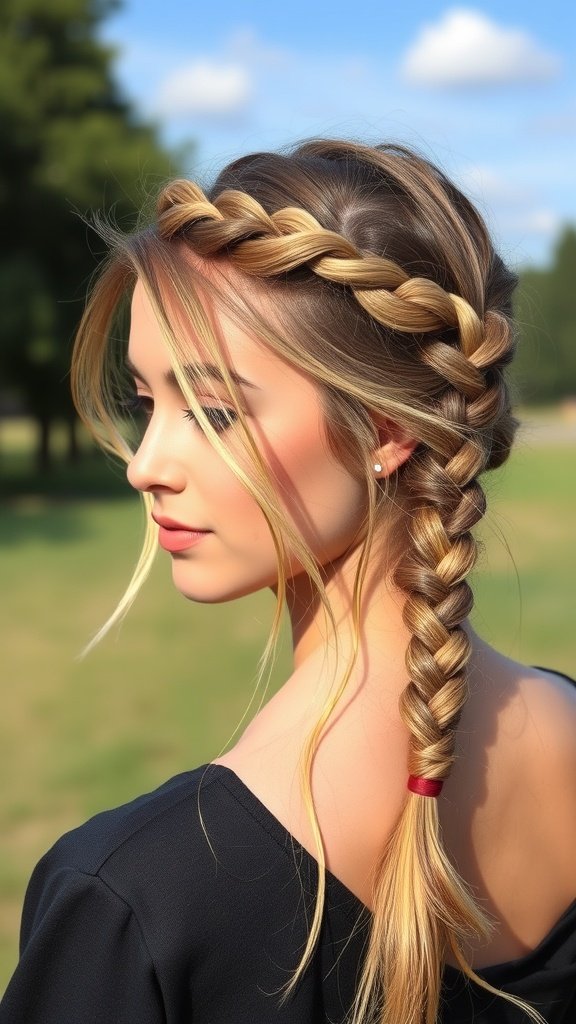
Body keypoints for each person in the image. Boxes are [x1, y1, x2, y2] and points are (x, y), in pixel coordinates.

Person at [1, 139, 575, 1024]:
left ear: (385, 431)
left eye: (214, 410)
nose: (145, 466)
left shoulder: (135, 903)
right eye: (148, 404)